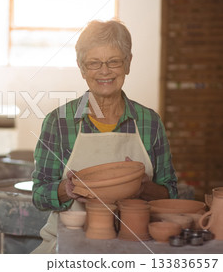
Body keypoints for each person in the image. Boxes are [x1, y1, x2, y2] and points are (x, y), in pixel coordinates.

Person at [31, 19, 178, 254]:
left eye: (114, 61)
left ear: (128, 63)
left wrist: (143, 188)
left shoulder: (149, 122)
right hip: (69, 246)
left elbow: (170, 193)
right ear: (81, 68)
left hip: (135, 245)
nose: (104, 71)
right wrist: (67, 189)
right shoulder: (59, 122)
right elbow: (38, 194)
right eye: (94, 63)